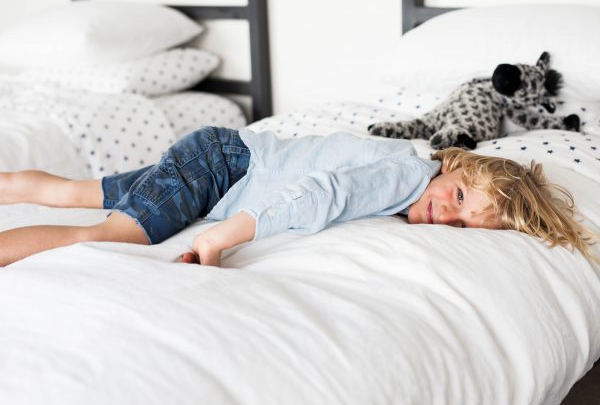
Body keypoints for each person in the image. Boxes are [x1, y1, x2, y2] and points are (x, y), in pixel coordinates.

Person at [0, 126, 596, 267]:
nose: (447, 215)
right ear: (454, 165)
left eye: (464, 226)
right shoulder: (406, 175)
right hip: (222, 170)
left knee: (72, 192)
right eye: (460, 195)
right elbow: (322, 192)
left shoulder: (410, 169)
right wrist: (222, 237)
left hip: (221, 160)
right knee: (100, 234)